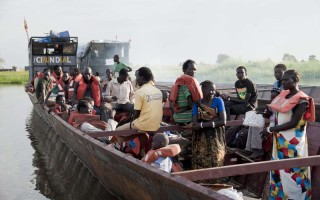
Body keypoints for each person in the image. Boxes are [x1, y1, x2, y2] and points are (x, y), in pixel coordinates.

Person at [260, 69, 315, 199]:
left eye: (286, 80)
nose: (282, 82)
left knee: (293, 171)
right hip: (280, 140)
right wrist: (266, 113)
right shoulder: (284, 96)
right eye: (282, 80)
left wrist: (270, 130)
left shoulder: (301, 99)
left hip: (293, 142)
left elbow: (294, 123)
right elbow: (278, 114)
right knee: (279, 171)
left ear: (295, 80)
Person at [245, 64, 287, 159]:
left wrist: (267, 109)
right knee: (253, 115)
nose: (277, 74)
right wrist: (264, 108)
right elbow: (273, 100)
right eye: (275, 72)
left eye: (279, 72)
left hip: (279, 112)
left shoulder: (287, 85)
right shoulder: (276, 83)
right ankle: (249, 148)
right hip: (273, 109)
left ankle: (258, 149)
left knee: (258, 118)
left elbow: (282, 102)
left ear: (285, 73)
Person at [189, 80, 227, 169]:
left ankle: (216, 179)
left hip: (215, 136)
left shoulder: (218, 100)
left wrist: (202, 125)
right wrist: (215, 120)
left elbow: (223, 121)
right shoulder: (197, 104)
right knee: (200, 158)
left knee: (216, 158)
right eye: (210, 90)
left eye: (214, 90)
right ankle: (201, 180)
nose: (212, 92)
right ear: (203, 90)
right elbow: (195, 125)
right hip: (200, 137)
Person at [116, 66, 162, 132]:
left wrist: (130, 123)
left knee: (117, 130)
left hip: (143, 126)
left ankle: (121, 142)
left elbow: (137, 114)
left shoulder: (140, 92)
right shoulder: (158, 92)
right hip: (156, 124)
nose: (136, 80)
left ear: (142, 78)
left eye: (137, 77)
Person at [170, 59, 203, 124]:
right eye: (191, 69)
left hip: (176, 117)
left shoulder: (178, 83)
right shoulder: (185, 86)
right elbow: (191, 105)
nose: (193, 72)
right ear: (184, 70)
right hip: (186, 117)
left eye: (194, 70)